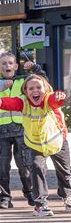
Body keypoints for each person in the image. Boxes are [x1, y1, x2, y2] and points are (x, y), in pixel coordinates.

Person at [0, 74, 71, 216]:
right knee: (36, 168)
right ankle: (40, 204)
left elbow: (56, 101)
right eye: (31, 88)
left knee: (65, 171)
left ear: (45, 88)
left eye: (38, 87)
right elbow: (7, 103)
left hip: (57, 141)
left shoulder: (49, 99)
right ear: (25, 91)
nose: (35, 91)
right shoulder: (23, 102)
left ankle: (67, 196)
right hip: (35, 145)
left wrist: (59, 96)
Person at [0, 52, 35, 208]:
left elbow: (40, 83)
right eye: (3, 63)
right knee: (2, 167)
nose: (7, 66)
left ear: (15, 66)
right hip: (1, 130)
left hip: (21, 129)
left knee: (25, 164)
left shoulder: (23, 81)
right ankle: (5, 198)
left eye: (10, 63)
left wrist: (33, 67)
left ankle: (31, 193)